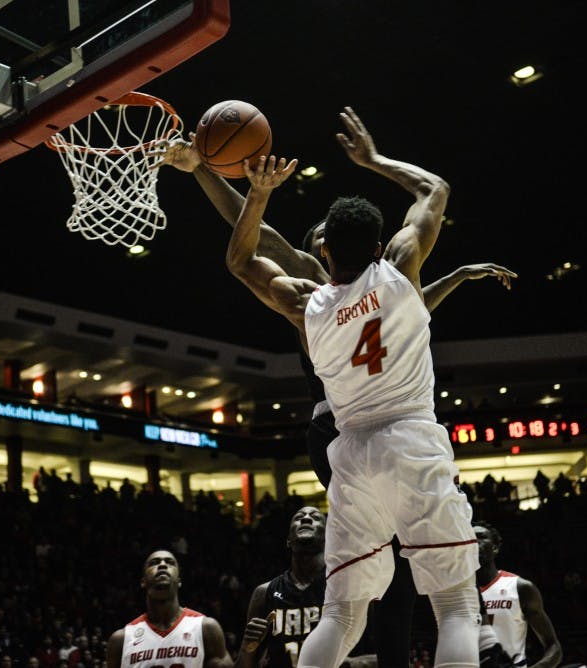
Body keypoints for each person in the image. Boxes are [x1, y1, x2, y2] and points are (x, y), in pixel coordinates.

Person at [161, 114, 514, 668]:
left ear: (327, 257)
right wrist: (373, 162)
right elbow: (433, 190)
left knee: (342, 613)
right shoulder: (399, 268)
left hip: (348, 444)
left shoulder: (307, 301)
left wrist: (232, 182)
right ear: (376, 244)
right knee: (456, 606)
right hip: (406, 433)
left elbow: (243, 255)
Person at [237, 506, 376, 668]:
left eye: (315, 517)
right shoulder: (264, 593)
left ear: (329, 537)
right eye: (299, 517)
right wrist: (247, 647)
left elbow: (391, 656)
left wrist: (348, 664)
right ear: (288, 540)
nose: (306, 518)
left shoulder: (351, 587)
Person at [105, 549, 232, 668]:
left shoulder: (206, 628)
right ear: (143, 581)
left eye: (170, 562)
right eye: (153, 563)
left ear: (179, 580)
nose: (162, 565)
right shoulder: (121, 640)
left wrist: (247, 649)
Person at [473, 522, 562, 668]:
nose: (474, 542)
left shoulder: (520, 588)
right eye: (470, 538)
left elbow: (554, 647)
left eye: (481, 537)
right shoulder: (455, 593)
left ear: (495, 547)